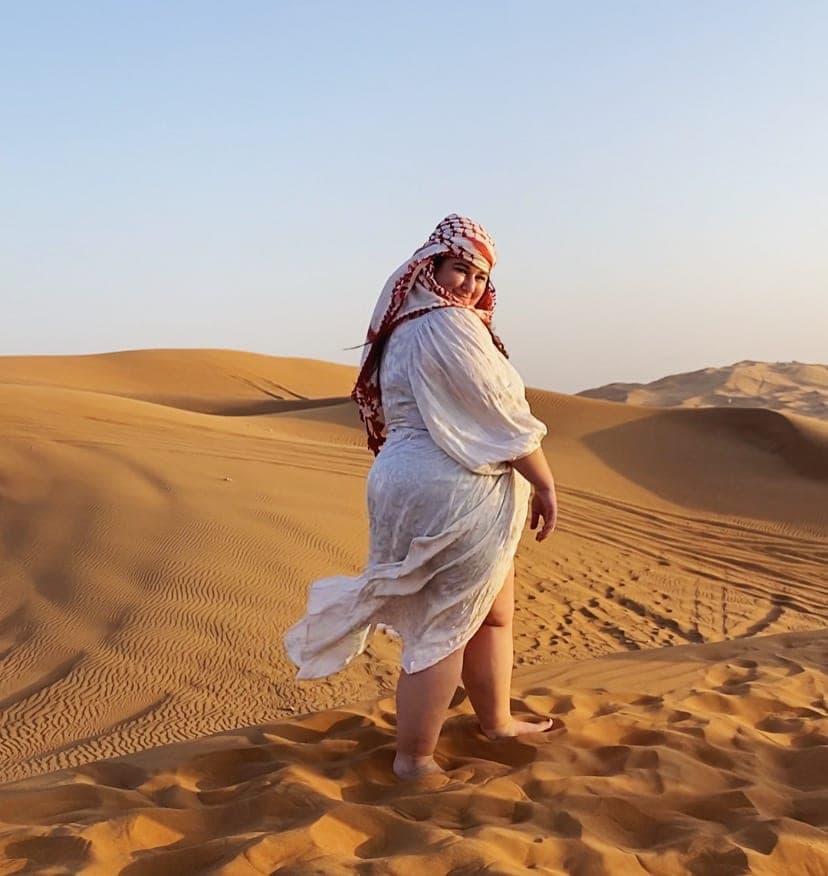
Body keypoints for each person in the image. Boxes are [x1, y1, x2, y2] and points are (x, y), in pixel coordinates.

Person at [285, 214, 559, 778]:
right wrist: (544, 479)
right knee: (446, 627)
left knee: (491, 614)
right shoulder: (444, 325)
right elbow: (498, 414)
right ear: (430, 266)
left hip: (428, 477)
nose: (470, 286)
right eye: (460, 268)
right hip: (452, 483)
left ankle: (497, 722)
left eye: (480, 277)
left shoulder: (411, 324)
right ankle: (414, 760)